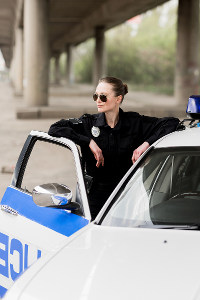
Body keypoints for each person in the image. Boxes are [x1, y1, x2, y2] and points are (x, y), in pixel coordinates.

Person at [48, 76, 179, 220]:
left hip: (126, 195)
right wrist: (88, 141)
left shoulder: (134, 122)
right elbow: (55, 128)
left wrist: (146, 144)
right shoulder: (88, 123)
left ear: (118, 99)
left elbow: (171, 122)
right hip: (93, 198)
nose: (98, 100)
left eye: (103, 97)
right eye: (95, 96)